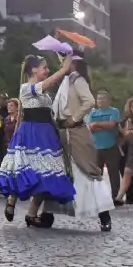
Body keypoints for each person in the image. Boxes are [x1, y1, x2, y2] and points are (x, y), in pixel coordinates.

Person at [0, 54, 76, 227]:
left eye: (47, 68)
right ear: (33, 69)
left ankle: (31, 214)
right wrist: (63, 69)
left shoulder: (45, 94)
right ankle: (11, 201)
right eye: (44, 67)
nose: (47, 70)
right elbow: (46, 84)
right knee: (24, 168)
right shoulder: (26, 87)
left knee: (43, 174)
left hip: (45, 133)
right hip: (30, 132)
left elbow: (49, 94)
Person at [52, 57, 113, 231]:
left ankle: (104, 216)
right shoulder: (64, 81)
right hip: (63, 132)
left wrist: (74, 118)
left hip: (76, 131)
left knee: (87, 170)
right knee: (60, 171)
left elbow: (89, 101)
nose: (61, 63)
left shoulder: (77, 80)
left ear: (74, 63)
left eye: (65, 60)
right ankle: (48, 214)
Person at [87, 90, 122, 202]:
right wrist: (104, 125)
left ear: (109, 100)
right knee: (97, 174)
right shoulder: (93, 113)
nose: (100, 101)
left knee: (113, 173)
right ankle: (97, 197)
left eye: (103, 98)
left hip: (111, 146)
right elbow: (90, 127)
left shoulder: (114, 111)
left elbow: (112, 125)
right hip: (96, 147)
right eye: (98, 99)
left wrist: (97, 124)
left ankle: (115, 197)